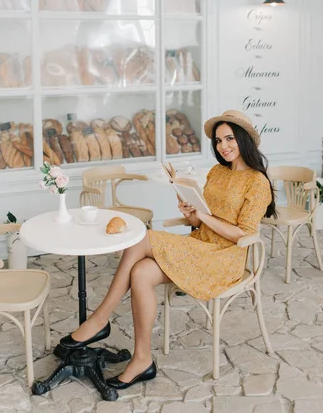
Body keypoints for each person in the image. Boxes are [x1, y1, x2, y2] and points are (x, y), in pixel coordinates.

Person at [60, 110, 276, 389]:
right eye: (219, 140)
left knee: (141, 238)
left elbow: (242, 234)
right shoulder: (217, 172)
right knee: (140, 273)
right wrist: (191, 214)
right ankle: (142, 360)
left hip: (224, 259)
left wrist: (205, 218)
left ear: (243, 139)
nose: (223, 146)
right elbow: (202, 220)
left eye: (230, 138)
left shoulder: (257, 182)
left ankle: (100, 318)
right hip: (199, 245)